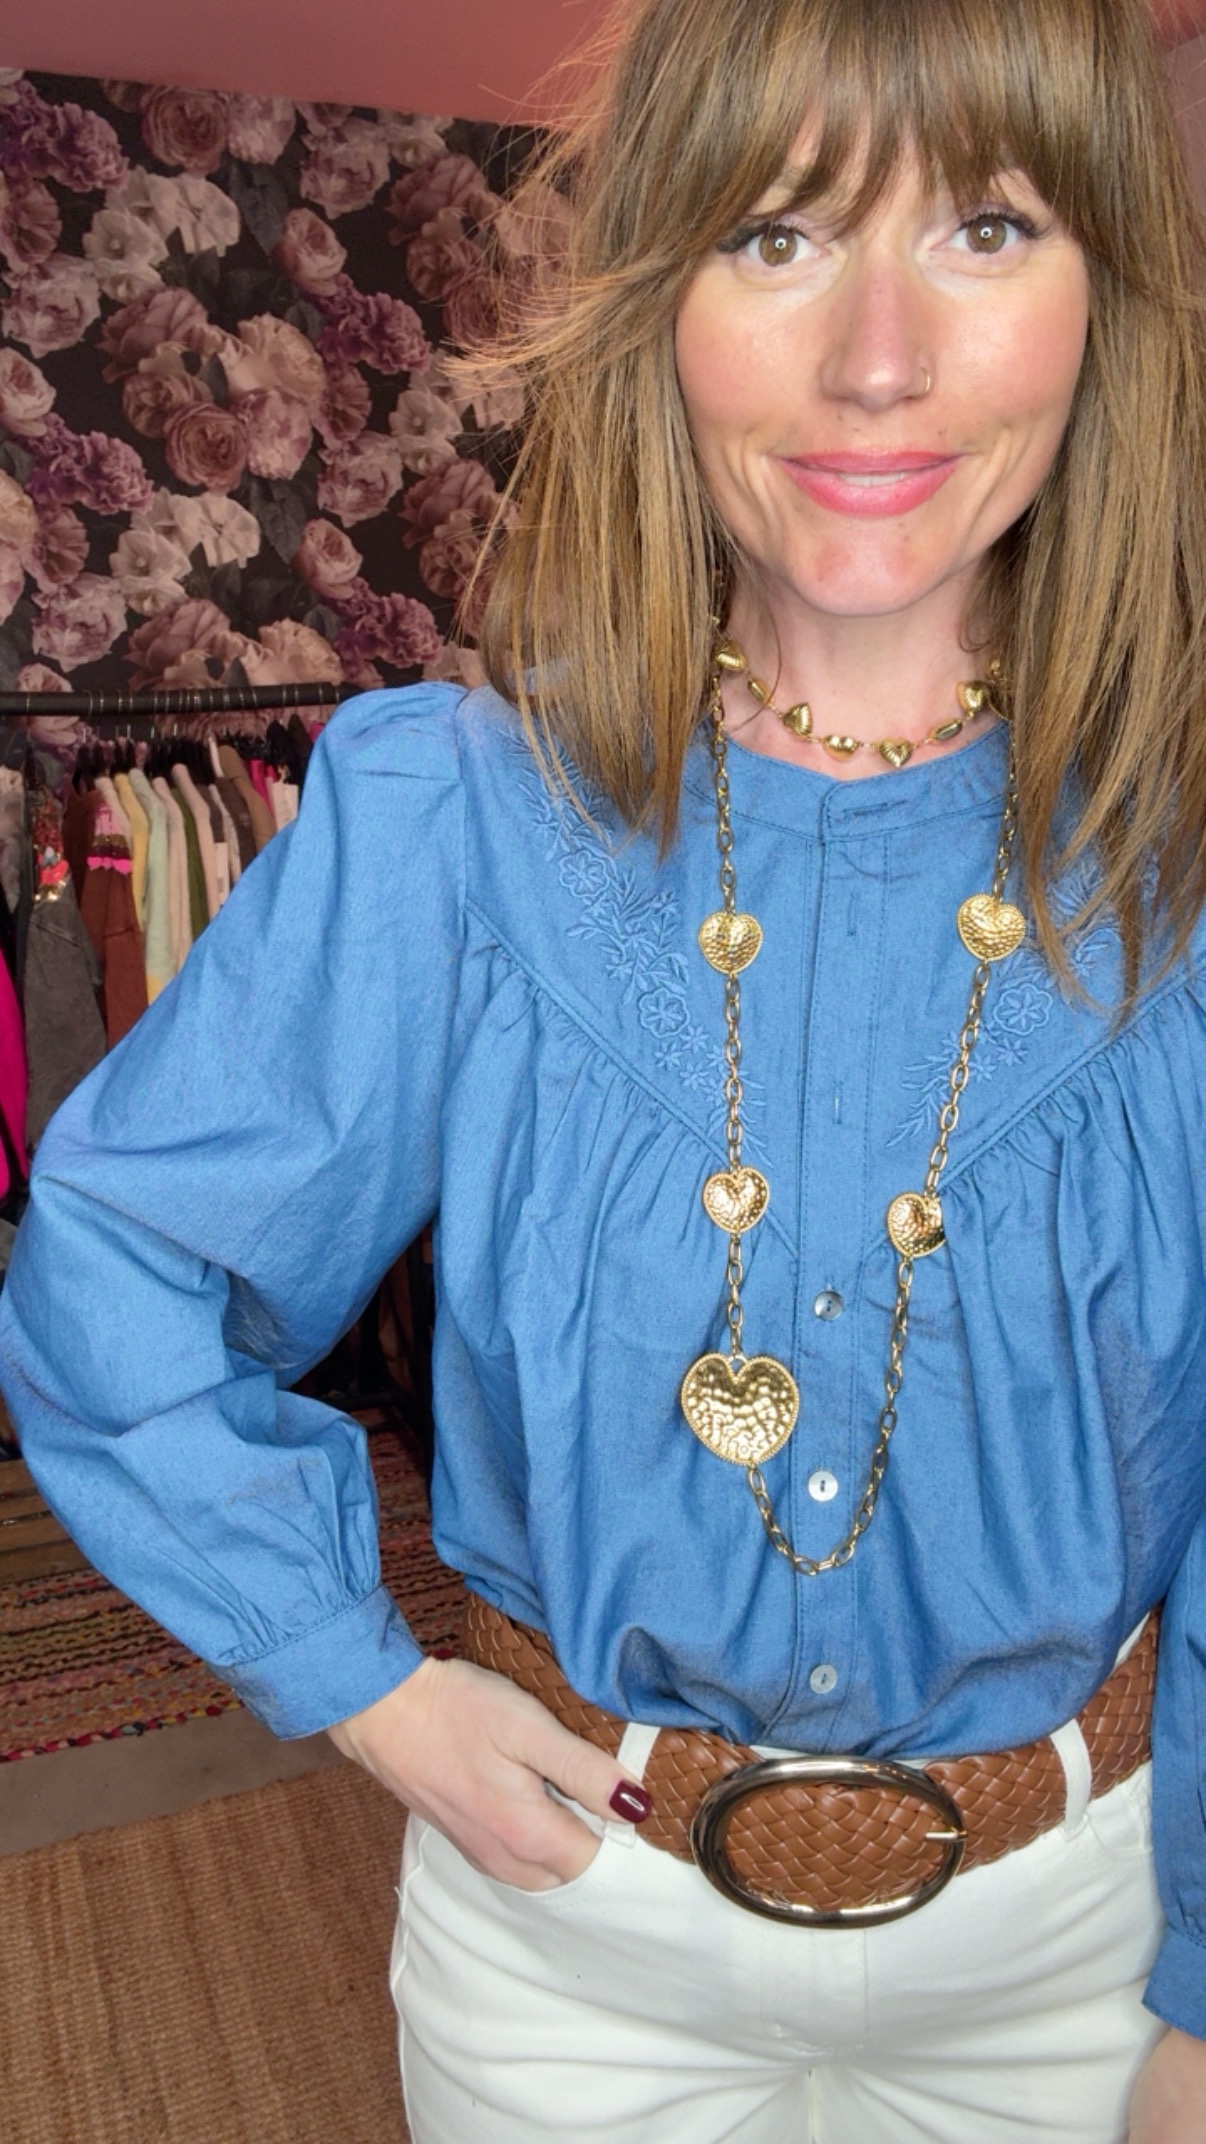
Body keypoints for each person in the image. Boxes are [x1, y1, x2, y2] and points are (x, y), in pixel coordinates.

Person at [7, 0, 1206, 2135]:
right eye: (775, 234)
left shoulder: (1186, 863)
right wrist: (362, 1682)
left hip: (1098, 1955)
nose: (874, 360)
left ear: (1108, 294)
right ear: (659, 303)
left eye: (986, 228)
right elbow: (121, 1266)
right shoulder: (451, 821)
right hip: (573, 1948)